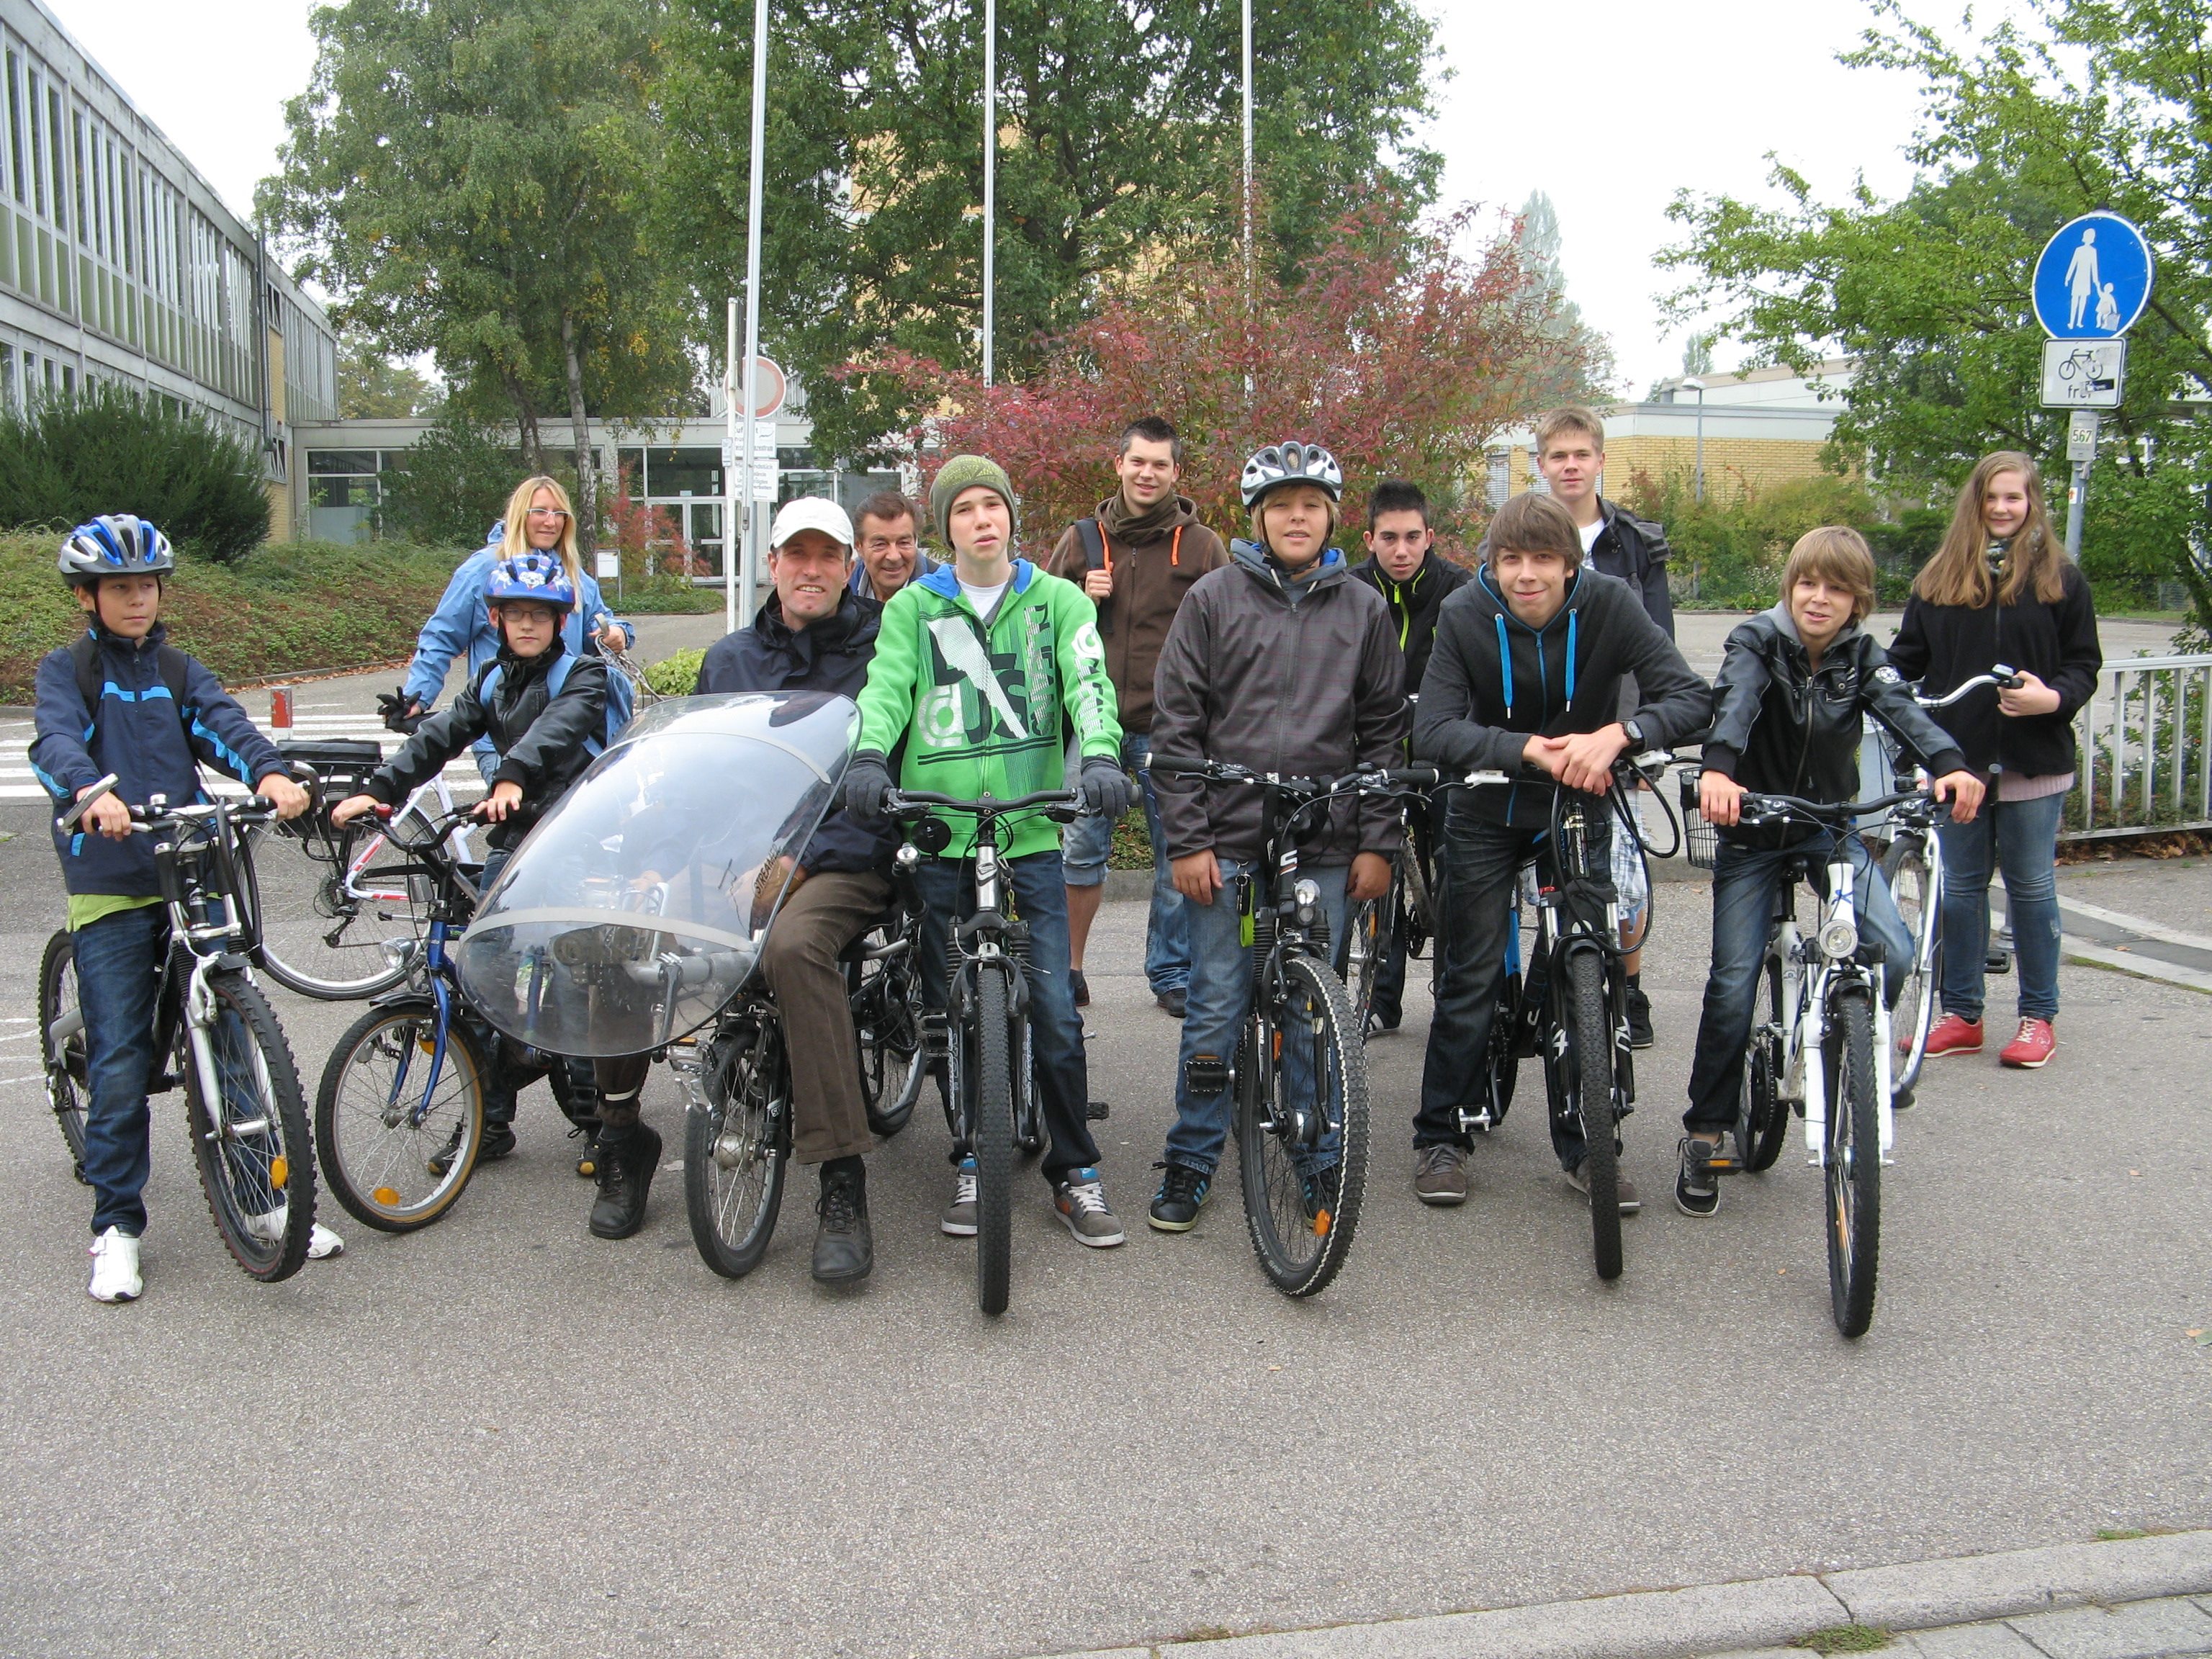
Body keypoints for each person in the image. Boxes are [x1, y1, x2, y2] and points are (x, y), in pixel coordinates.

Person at [841, 454, 1132, 1248]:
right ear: (948, 529)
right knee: (949, 1010)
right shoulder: (912, 610)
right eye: (964, 509)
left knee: (1055, 1015)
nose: (980, 519)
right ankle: (971, 1155)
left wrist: (1100, 754)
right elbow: (886, 687)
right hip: (941, 834)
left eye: (991, 505)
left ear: (1010, 516)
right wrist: (870, 755)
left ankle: (1075, 1172)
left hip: (1030, 834)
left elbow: (1088, 682)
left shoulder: (1059, 602)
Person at [32, 516, 323, 1303]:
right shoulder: (70, 672)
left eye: (147, 586)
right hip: (116, 878)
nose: (137, 600)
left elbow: (223, 727)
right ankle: (117, 1227)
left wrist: (270, 775)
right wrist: (93, 793)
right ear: (89, 598)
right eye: (120, 588)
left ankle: (266, 1201)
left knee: (233, 1035)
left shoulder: (176, 668)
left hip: (192, 871)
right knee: (122, 1060)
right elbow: (55, 742)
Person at [1411, 492, 1709, 1212]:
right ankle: (1439, 1135)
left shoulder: (1608, 603)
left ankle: (1588, 1146)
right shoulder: (1463, 614)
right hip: (1486, 804)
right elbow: (1434, 730)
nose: (1526, 575)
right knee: (1469, 975)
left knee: (1591, 966)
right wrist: (1524, 750)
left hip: (1579, 805)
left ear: (1570, 564)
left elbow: (1691, 698)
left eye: (1543, 559)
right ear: (1493, 563)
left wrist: (1622, 735)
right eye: (1510, 560)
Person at [1680, 528, 1984, 1217]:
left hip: (1829, 828)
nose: (1820, 599)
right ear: (1790, 587)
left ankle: (1846, 1055)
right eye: (1808, 584)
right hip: (1753, 829)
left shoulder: (1862, 657)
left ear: (1858, 601)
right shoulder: (1756, 642)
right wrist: (1720, 771)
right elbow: (1736, 701)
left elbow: (1902, 712)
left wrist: (1950, 764)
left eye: (1838, 588)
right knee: (1732, 981)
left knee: (1895, 950)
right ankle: (1705, 1130)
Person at [1144, 440, 1406, 1232]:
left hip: (1323, 838)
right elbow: (1177, 727)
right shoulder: (1215, 598)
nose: (1298, 516)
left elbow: (1385, 733)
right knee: (1218, 1000)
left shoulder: (1362, 608)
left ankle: (1317, 1156)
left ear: (1331, 517)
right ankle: (1192, 1156)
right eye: (1282, 505)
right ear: (1257, 517)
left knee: (1310, 1011)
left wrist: (1377, 842)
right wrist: (1187, 841)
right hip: (1223, 835)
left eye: (1313, 504)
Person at [331, 552, 619, 1218]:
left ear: (559, 621)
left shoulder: (582, 673)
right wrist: (377, 791)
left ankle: (599, 1123)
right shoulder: (489, 680)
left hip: (571, 835)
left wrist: (512, 774)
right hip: (516, 837)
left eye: (539, 616)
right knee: (480, 971)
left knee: (573, 974)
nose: (526, 625)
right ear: (496, 619)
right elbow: (438, 736)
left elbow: (561, 731)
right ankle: (489, 1121)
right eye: (515, 614)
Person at [677, 495, 895, 1282]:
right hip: (746, 857)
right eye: (795, 556)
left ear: (848, 566)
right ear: (772, 564)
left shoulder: (884, 649)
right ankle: (614, 1129)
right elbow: (702, 777)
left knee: (798, 950)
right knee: (639, 918)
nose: (811, 571)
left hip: (846, 857)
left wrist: (800, 861)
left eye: (827, 557)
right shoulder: (730, 659)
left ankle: (842, 1180)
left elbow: (885, 784)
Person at [1884, 452, 2103, 1070]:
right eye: (1993, 498)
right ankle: (1962, 1014)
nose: (2004, 509)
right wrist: (1910, 729)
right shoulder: (1939, 580)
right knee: (1961, 890)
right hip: (1962, 767)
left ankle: (2038, 1016)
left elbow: (2084, 664)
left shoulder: (2061, 579)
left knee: (2032, 890)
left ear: (2033, 504)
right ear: (1975, 503)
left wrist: (2050, 699)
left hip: (2036, 761)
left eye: (2016, 498)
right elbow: (1905, 664)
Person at [1045, 415, 1229, 1017]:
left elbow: (1225, 634)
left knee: (1175, 848)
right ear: (1118, 464)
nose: (1147, 473)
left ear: (1176, 472)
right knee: (1079, 849)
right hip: (1092, 720)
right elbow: (1036, 627)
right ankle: (1068, 969)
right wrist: (1079, 595)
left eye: (1160, 464)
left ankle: (1170, 973)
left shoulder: (1202, 546)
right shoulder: (1080, 540)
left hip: (1169, 725)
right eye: (1137, 462)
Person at [1529, 406, 1676, 1046]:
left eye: (1580, 454)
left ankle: (1630, 989)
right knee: (1540, 872)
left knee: (1624, 869)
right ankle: (1536, 988)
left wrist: (1645, 735)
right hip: (1543, 734)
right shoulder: (1518, 533)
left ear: (1599, 461)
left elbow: (1659, 648)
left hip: (1616, 736)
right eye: (1557, 455)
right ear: (1541, 465)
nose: (1569, 465)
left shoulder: (1636, 545)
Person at [388, 477, 634, 780]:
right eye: (540, 511)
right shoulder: (484, 569)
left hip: (568, 734)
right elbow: (441, 635)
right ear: (520, 514)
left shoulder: (572, 575)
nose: (550, 522)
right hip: (503, 736)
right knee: (521, 821)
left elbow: (602, 621)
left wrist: (619, 633)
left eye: (559, 514)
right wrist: (417, 696)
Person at [1349, 477, 1472, 1032]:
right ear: (1369, 538)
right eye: (1389, 538)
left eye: (1413, 538)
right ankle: (1381, 1000)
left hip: (1443, 755)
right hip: (1377, 754)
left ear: (1430, 537)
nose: (1401, 550)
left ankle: (1454, 994)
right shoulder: (1348, 591)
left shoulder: (1461, 592)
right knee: (1379, 875)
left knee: (1456, 873)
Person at [849, 490, 940, 603]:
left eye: (903, 543)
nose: (894, 556)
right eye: (880, 544)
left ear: (915, 541)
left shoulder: (944, 593)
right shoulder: (841, 591)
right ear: (859, 547)